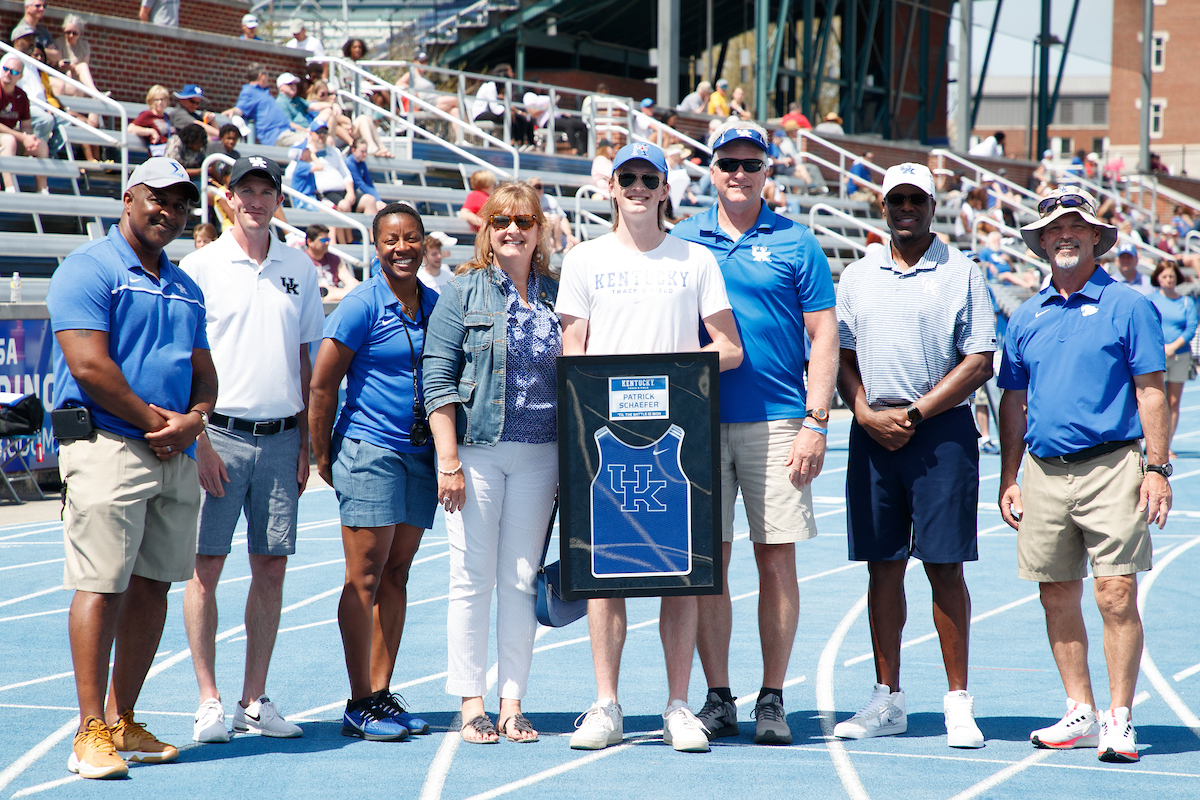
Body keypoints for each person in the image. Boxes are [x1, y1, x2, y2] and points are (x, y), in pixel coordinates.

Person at [557, 142, 743, 754]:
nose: (638, 186)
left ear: (666, 189)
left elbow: (729, 347)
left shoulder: (695, 260)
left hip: (677, 436)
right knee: (605, 572)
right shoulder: (584, 260)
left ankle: (679, 705)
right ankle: (607, 703)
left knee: (679, 574)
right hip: (605, 438)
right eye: (628, 177)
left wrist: (668, 377)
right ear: (611, 185)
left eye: (650, 178)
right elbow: (572, 351)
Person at [46, 157, 213, 780]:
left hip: (173, 449)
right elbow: (89, 366)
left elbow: (204, 369)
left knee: (154, 586)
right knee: (102, 583)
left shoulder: (184, 284)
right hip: (109, 445)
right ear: (129, 197)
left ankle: (122, 719)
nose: (168, 211)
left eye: (180, 202)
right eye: (157, 199)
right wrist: (157, 422)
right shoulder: (88, 269)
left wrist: (195, 417)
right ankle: (89, 731)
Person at [672, 121, 838, 746]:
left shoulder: (797, 243)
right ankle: (718, 696)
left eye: (751, 163)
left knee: (777, 560)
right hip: (696, 422)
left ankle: (771, 696)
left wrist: (816, 422)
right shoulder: (683, 240)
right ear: (710, 170)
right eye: (727, 164)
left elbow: (823, 336)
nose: (738, 174)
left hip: (779, 419)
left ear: (769, 171)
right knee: (706, 567)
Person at [997, 186, 1171, 764]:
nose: (1064, 235)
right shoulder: (1026, 314)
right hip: (1044, 472)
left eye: (1075, 226)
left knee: (1116, 591)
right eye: (1053, 228)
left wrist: (1157, 467)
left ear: (1096, 236)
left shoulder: (1130, 305)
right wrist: (1010, 475)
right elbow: (1013, 402)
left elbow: (1151, 390)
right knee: (1055, 594)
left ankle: (1119, 719)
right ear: (1041, 241)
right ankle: (1079, 707)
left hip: (1114, 465)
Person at [833, 163, 996, 749]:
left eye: (917, 199)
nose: (906, 207)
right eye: (896, 198)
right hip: (874, 431)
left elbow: (979, 359)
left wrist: (918, 413)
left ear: (933, 206)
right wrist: (864, 412)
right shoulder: (856, 275)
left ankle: (957, 703)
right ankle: (888, 699)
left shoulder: (964, 272)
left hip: (940, 432)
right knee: (883, 566)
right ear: (882, 206)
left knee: (945, 566)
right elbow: (841, 355)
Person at [180, 156, 325, 745]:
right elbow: (186, 359)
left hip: (281, 438)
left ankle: (253, 700)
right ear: (229, 197)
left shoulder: (300, 267)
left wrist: (307, 444)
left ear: (278, 199)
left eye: (266, 191)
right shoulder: (201, 265)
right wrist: (199, 438)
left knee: (271, 568)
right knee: (205, 568)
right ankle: (208, 700)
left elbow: (306, 360)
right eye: (246, 190)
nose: (256, 200)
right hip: (219, 436)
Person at [422, 181, 562, 744]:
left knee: (522, 581)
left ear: (539, 231)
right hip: (476, 452)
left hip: (541, 457)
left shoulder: (558, 291)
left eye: (523, 222)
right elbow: (436, 377)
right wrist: (447, 458)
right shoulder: (464, 290)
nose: (513, 230)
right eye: (501, 221)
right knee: (471, 578)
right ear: (487, 229)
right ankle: (471, 701)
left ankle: (512, 702)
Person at [309, 202, 438, 742]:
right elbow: (321, 385)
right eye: (390, 240)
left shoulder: (436, 303)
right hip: (369, 450)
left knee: (397, 574)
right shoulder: (361, 305)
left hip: (420, 455)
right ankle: (358, 700)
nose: (401, 249)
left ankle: (381, 696)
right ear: (376, 246)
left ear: (424, 242)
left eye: (410, 239)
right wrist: (322, 455)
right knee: (363, 576)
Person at [1147, 260, 1197, 459]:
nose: (1168, 280)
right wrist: (1161, 347)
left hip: (1180, 356)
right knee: (1155, 399)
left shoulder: (1186, 302)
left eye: (1171, 276)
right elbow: (1147, 326)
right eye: (1165, 276)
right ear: (1157, 278)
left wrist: (1173, 346)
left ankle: (1167, 445)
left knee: (1173, 401)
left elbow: (1191, 327)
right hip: (1156, 355)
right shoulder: (1150, 300)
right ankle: (1152, 445)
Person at [0, 54, 49, 194]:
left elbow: (26, 125)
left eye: (14, 71)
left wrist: (29, 139)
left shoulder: (21, 96)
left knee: (41, 145)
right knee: (10, 140)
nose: (8, 73)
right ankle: (10, 188)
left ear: (20, 76)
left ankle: (43, 190)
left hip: (12, 139)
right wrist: (23, 137)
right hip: (6, 139)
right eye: (5, 69)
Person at [232, 64, 306, 148]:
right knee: (310, 141)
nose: (268, 78)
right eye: (267, 74)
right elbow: (239, 110)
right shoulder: (249, 91)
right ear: (261, 76)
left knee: (317, 137)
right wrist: (233, 111)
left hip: (288, 132)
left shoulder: (262, 92)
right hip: (277, 136)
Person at [470, 64, 534, 147]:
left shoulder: (501, 90)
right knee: (509, 115)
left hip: (493, 112)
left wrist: (518, 112)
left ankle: (524, 142)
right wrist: (509, 111)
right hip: (480, 114)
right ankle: (512, 140)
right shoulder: (490, 86)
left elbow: (507, 105)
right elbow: (494, 108)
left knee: (521, 118)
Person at [305, 223, 360, 302]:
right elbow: (318, 291)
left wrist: (335, 293)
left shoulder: (335, 259)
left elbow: (352, 282)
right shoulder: (303, 260)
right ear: (310, 241)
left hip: (336, 300)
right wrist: (346, 295)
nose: (327, 243)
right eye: (323, 240)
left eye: (328, 240)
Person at [529, 177, 578, 252]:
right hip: (539, 237)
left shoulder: (549, 199)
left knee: (555, 217)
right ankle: (548, 247)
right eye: (535, 187)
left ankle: (559, 247)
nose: (538, 190)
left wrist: (569, 234)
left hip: (555, 235)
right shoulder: (527, 202)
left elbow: (562, 218)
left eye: (539, 187)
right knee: (546, 216)